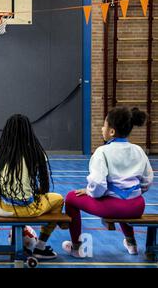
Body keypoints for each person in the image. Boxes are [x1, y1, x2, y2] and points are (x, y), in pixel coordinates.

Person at [63, 107, 153, 258]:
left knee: (71, 198)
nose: (102, 128)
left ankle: (76, 247)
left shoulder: (102, 152)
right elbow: (148, 181)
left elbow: (98, 185)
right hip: (137, 207)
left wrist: (89, 191)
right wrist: (132, 193)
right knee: (124, 196)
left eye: (104, 125)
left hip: (113, 207)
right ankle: (132, 243)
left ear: (111, 131)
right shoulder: (138, 150)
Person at [0, 114, 63, 260]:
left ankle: (18, 242)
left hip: (1, 209)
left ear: (7, 132)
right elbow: (45, 187)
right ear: (29, 131)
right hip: (28, 210)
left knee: (1, 196)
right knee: (58, 199)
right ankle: (40, 247)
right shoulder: (36, 152)